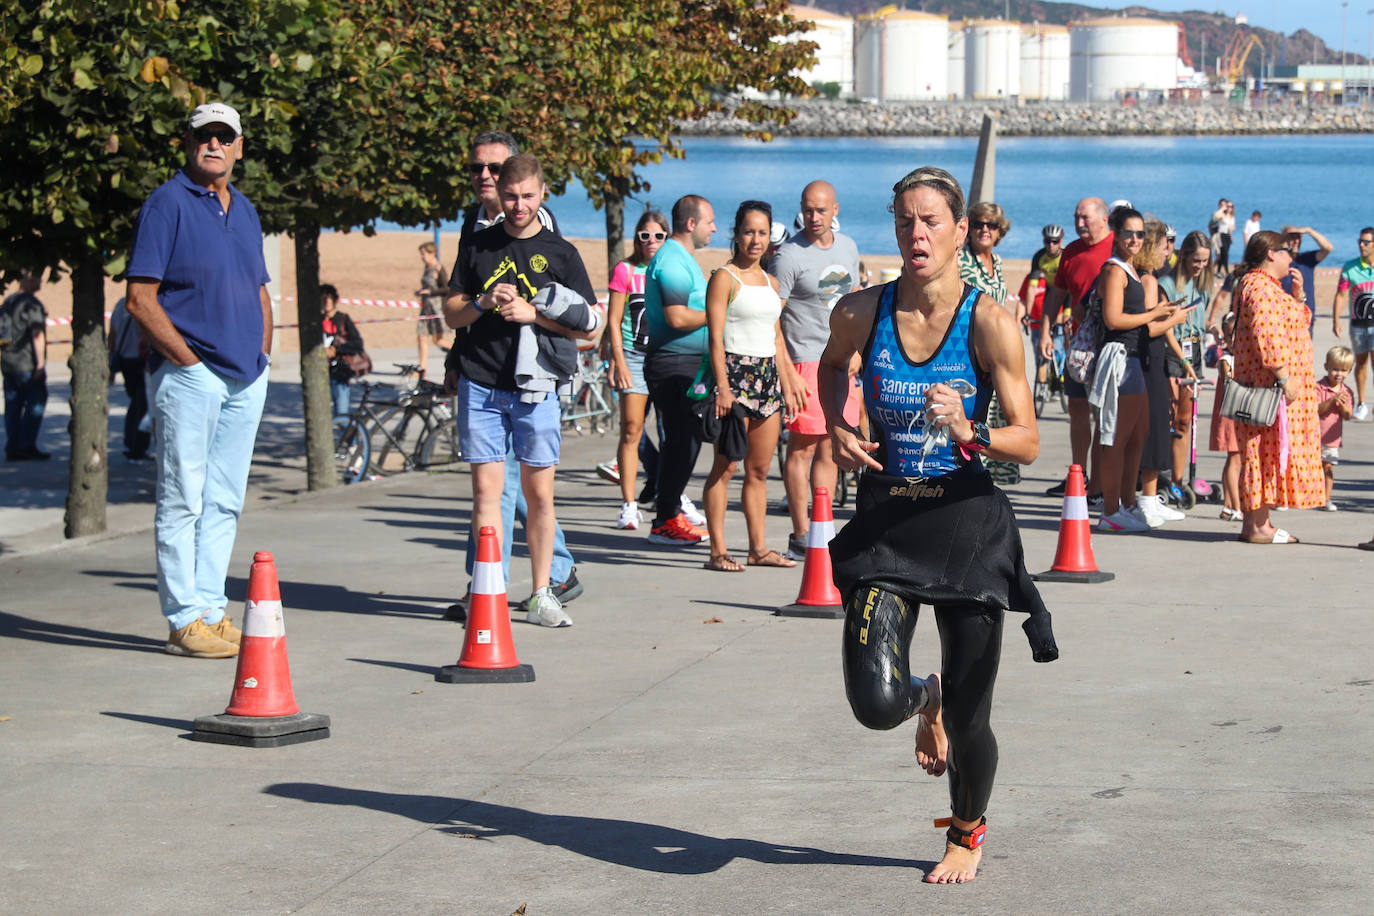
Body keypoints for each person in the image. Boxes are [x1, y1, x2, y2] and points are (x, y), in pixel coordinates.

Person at [821, 166, 1057, 885]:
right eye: (904, 222)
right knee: (875, 702)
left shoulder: (988, 319)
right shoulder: (861, 310)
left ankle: (965, 832)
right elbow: (833, 366)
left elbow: (1029, 438)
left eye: (930, 222)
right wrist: (837, 420)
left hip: (966, 528)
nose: (915, 235)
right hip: (890, 522)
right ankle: (926, 700)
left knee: (974, 715)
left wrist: (970, 428)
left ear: (962, 231)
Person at [124, 102, 271, 658]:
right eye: (203, 136)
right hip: (194, 377)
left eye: (223, 136)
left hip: (244, 378)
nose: (213, 144)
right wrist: (188, 362)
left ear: (238, 147)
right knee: (183, 498)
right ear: (187, 143)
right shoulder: (167, 204)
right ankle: (183, 617)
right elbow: (140, 298)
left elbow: (259, 288)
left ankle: (211, 607)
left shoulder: (246, 209)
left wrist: (261, 354)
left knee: (225, 500)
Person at [444, 153, 599, 627]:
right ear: (499, 194)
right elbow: (451, 312)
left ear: (542, 194)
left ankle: (540, 593)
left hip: (538, 389)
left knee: (540, 496)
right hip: (483, 383)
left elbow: (589, 328)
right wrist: (484, 302)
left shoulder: (561, 253)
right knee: (486, 494)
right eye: (510, 196)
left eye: (527, 196)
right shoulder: (478, 246)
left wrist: (535, 316)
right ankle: (487, 592)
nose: (518, 205)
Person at [701, 200, 803, 571]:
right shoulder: (725, 277)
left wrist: (789, 381)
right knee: (726, 467)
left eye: (762, 233)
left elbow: (776, 338)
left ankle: (758, 548)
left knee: (759, 471)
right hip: (734, 377)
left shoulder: (772, 282)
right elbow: (714, 338)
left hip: (767, 382)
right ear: (737, 234)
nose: (755, 240)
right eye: (748, 232)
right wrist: (723, 388)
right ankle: (718, 551)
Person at [770, 180, 862, 561]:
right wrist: (786, 370)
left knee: (832, 448)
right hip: (805, 359)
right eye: (808, 209)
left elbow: (856, 305)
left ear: (835, 210)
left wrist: (858, 349)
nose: (814, 217)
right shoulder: (788, 255)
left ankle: (822, 529)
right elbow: (771, 317)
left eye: (821, 210)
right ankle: (800, 532)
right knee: (802, 450)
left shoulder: (848, 247)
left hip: (843, 361)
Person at [1088, 208, 1190, 533]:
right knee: (1116, 438)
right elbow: (1114, 319)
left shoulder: (1130, 270)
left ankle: (1128, 504)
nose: (1134, 240)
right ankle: (1111, 509)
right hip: (1119, 358)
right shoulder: (1114, 271)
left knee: (1137, 435)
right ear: (1115, 234)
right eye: (1128, 233)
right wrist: (1154, 314)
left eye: (1139, 234)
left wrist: (1160, 313)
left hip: (1133, 360)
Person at [1231, 231, 1324, 543]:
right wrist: (1284, 377)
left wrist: (1298, 296)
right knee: (1262, 452)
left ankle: (1259, 523)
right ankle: (1257, 526)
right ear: (1271, 253)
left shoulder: (1263, 286)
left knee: (1264, 453)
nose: (1291, 258)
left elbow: (1293, 323)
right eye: (1286, 251)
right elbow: (1267, 334)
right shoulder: (1259, 287)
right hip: (1267, 388)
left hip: (1265, 386)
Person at [642, 194, 718, 545]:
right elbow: (676, 316)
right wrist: (718, 314)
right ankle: (666, 519)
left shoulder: (682, 258)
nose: (714, 228)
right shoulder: (672, 260)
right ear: (691, 224)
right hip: (673, 365)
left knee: (687, 442)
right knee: (681, 443)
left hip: (688, 364)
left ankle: (669, 513)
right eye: (709, 222)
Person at [1039, 197, 1114, 499]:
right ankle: (1077, 477)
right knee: (1078, 412)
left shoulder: (1116, 247)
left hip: (1109, 344)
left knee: (1102, 414)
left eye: (1085, 217)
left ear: (1104, 219)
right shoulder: (1070, 252)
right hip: (1078, 347)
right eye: (1076, 217)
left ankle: (1099, 482)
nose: (1079, 223)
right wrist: (1046, 332)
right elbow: (1056, 297)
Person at [605, 210, 669, 529]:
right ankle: (628, 504)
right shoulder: (625, 270)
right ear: (636, 238)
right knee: (631, 428)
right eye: (645, 236)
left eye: (659, 236)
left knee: (669, 432)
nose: (652, 242)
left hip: (667, 357)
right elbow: (614, 320)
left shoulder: (670, 270)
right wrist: (617, 359)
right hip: (633, 355)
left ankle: (671, 498)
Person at [957, 201, 1018, 485]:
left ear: (999, 232)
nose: (984, 230)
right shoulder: (960, 260)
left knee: (999, 417)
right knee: (975, 418)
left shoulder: (999, 263)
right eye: (979, 224)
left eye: (990, 225)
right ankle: (975, 480)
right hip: (969, 349)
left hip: (998, 352)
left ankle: (991, 486)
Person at [1132, 220, 1188, 528]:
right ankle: (1147, 499)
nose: (1169, 251)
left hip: (1145, 359)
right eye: (1165, 244)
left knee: (1153, 425)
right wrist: (1175, 318)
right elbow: (1150, 327)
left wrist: (1168, 311)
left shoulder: (1139, 277)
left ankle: (1150, 498)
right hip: (1150, 359)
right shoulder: (1149, 279)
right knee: (1154, 427)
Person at [1159, 231, 1213, 494]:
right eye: (1196, 261)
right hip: (1174, 352)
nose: (1200, 267)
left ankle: (1180, 480)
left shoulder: (1202, 286)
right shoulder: (1168, 285)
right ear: (1184, 255)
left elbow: (1203, 321)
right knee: (1172, 417)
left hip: (1196, 351)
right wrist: (1181, 359)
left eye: (1205, 262)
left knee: (1186, 418)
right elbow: (1165, 328)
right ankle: (1165, 475)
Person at [1, 269, 51, 461]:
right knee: (36, 401)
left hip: (8, 363)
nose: (41, 281)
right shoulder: (31, 304)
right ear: (29, 279)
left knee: (13, 407)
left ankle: (12, 447)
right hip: (27, 364)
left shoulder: (9, 301)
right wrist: (39, 365)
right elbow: (37, 335)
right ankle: (25, 445)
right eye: (38, 277)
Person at [1331, 227, 1374, 420]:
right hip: (1358, 324)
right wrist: (1336, 320)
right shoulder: (1350, 267)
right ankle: (1362, 403)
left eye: (1366, 242)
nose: (1361, 245)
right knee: (1361, 363)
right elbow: (1341, 295)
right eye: (1360, 241)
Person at [107, 296, 151, 461]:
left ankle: (131, 443)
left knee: (135, 402)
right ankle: (136, 446)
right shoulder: (144, 302)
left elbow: (112, 335)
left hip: (125, 359)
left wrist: (111, 361)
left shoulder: (120, 304)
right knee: (140, 405)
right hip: (140, 359)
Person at [1208, 312, 1242, 520]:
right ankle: (1237, 506)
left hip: (1234, 413)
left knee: (1234, 459)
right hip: (1231, 414)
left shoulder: (1237, 358)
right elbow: (1226, 375)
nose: (1236, 339)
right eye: (1232, 335)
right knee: (1235, 460)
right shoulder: (1227, 359)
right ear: (1226, 338)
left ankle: (1228, 506)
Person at [1315, 346, 1354, 510]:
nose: (1339, 374)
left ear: (1349, 371)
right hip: (1314, 435)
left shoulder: (1347, 391)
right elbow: (1316, 410)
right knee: (1309, 467)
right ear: (1326, 367)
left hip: (1332, 439)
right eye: (1335, 369)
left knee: (1328, 467)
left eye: (1344, 370)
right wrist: (1332, 400)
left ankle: (1326, 498)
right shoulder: (1318, 387)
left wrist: (1343, 405)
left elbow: (1347, 415)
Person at [1279, 224, 1333, 336]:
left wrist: (1309, 231)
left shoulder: (1307, 259)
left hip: (1305, 316)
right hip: (1282, 316)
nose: (1295, 241)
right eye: (1291, 237)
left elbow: (1328, 248)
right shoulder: (1278, 261)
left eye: (1298, 237)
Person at [320, 284, 364, 420]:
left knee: (341, 414)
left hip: (340, 372)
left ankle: (353, 441)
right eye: (324, 298)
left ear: (335, 300)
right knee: (322, 416)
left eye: (330, 298)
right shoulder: (317, 321)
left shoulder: (343, 319)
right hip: (321, 372)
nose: (327, 302)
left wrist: (336, 350)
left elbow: (358, 344)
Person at [415, 241, 448, 379]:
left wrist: (430, 292)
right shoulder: (427, 268)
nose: (422, 257)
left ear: (432, 253)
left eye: (424, 254)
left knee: (437, 340)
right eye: (421, 254)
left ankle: (458, 352)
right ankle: (422, 369)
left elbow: (447, 288)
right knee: (421, 336)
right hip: (426, 308)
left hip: (437, 308)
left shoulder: (438, 268)